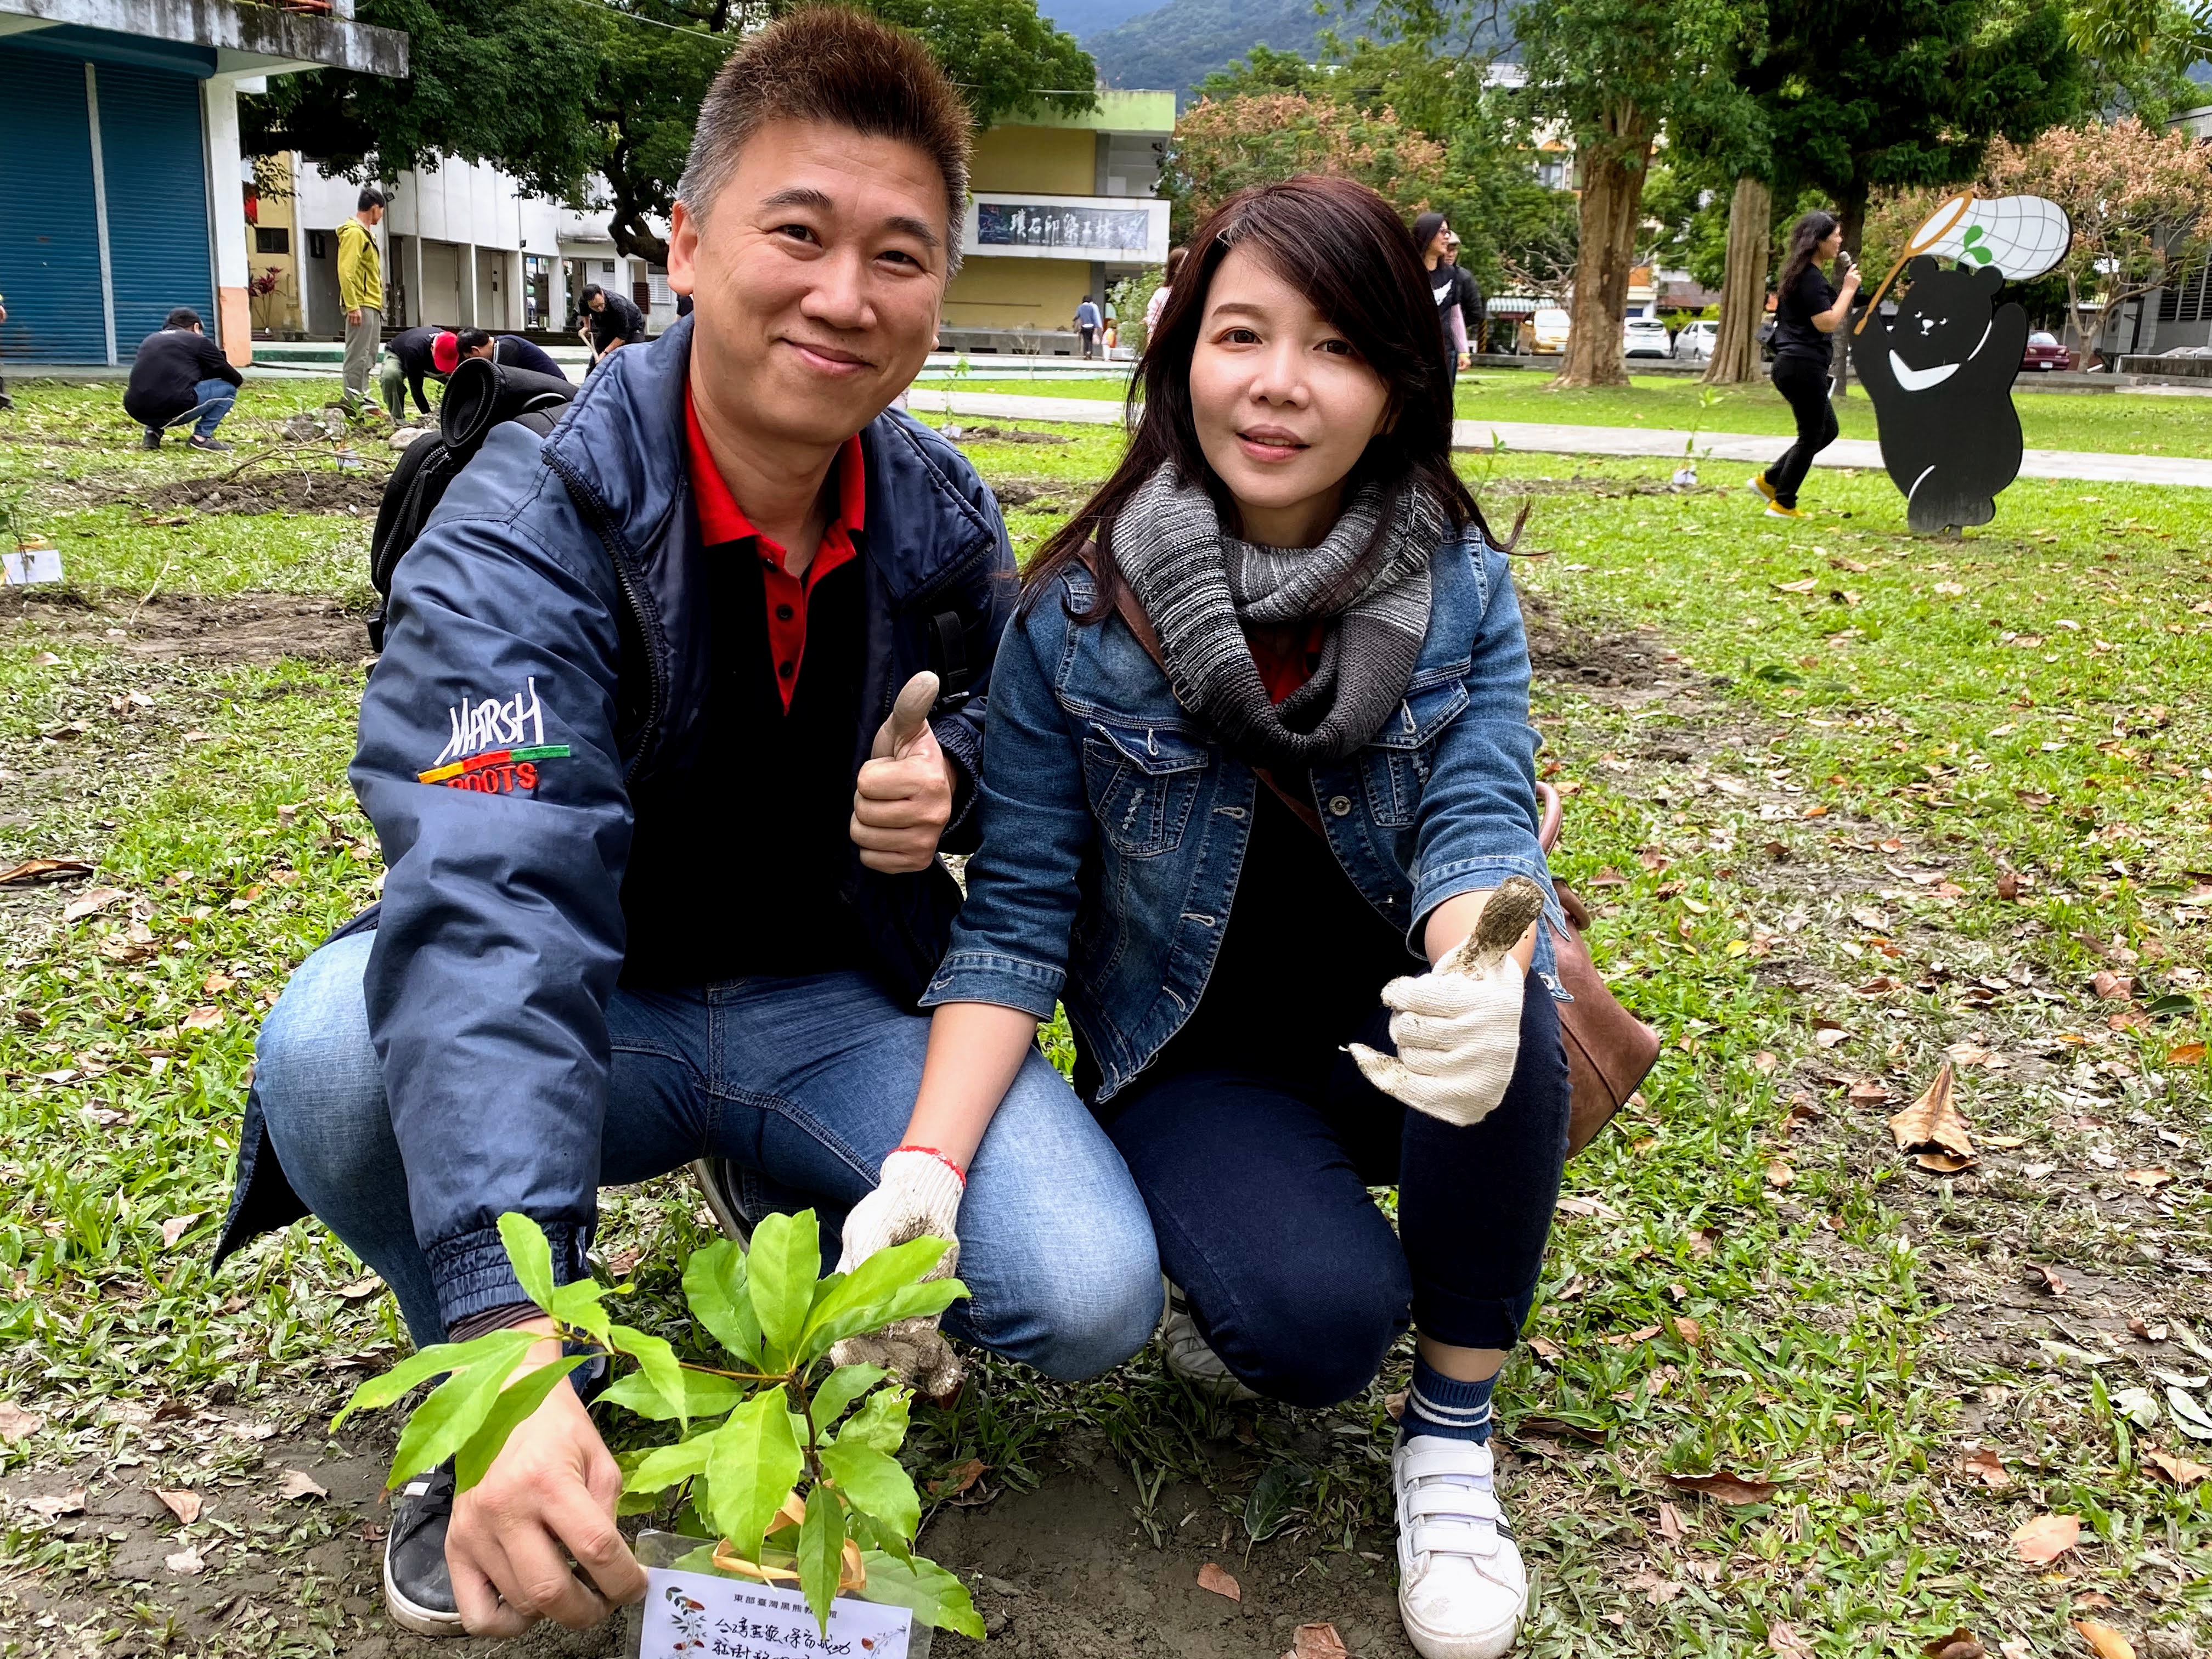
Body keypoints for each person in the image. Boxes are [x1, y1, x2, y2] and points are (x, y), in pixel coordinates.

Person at [217, 9, 1159, 1641]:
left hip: (822, 1002)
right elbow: (491, 884)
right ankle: (495, 1397)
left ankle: (775, 1199)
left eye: (899, 253)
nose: (844, 296)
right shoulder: (526, 520)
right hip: (605, 1009)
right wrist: (513, 1333)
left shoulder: (936, 512)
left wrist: (954, 790)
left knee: (1080, 1288)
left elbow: (1015, 764)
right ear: (690, 240)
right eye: (798, 232)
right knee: (329, 1058)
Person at [902, 176, 1571, 1659]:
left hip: (1396, 1044)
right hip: (1194, 1063)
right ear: (1180, 354)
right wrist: (928, 1171)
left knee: (1511, 983)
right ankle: (1253, 1242)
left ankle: (1451, 1441)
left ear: (1399, 388)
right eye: (1240, 335)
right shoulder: (1069, 619)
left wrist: (1487, 954)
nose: (1277, 385)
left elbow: (1478, 817)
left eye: (1334, 346)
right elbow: (1014, 914)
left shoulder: (1463, 585)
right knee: (1320, 1327)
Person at [1751, 210, 1861, 520]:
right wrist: (1849, 290)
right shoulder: (1810, 279)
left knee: (1827, 430)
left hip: (1796, 365)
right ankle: (1783, 503)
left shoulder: (1804, 274)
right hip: (1802, 364)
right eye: (1836, 236)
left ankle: (1771, 480)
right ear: (1819, 241)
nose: (1840, 241)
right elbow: (1826, 322)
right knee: (1813, 434)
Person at [123, 308, 244, 451]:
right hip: (173, 410)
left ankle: (152, 433)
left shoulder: (150, 340)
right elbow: (235, 379)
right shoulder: (198, 340)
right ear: (196, 327)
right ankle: (201, 438)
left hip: (137, 410)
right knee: (228, 388)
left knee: (160, 385)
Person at [338, 187, 387, 409]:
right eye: (382, 210)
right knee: (357, 354)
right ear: (375, 208)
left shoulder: (367, 234)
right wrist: (352, 306)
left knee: (368, 355)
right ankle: (352, 400)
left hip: (372, 304)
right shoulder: (354, 233)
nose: (382, 215)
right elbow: (346, 271)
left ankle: (362, 396)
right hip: (361, 303)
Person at [1412, 212, 1470, 388]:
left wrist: (1463, 352)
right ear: (1427, 234)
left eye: (1448, 232)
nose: (1447, 237)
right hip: (1413, 352)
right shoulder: (1408, 272)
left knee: (1441, 406)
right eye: (1442, 232)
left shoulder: (1451, 273)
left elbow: (1455, 315)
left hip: (1444, 352)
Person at [575, 283, 647, 364]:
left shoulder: (618, 304)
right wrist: (586, 327)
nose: (599, 309)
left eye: (600, 305)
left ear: (602, 293)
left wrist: (605, 353)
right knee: (597, 357)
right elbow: (585, 313)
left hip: (633, 325)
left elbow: (622, 337)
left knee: (633, 355)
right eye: (594, 307)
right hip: (609, 326)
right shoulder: (584, 301)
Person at [1443, 231, 1486, 359]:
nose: (1451, 254)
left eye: (1454, 250)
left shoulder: (1463, 277)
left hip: (1450, 344)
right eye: (1447, 249)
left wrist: (1453, 328)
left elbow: (1476, 313)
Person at [1144, 245, 1188, 343]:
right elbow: (1153, 326)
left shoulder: (1197, 293)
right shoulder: (1162, 294)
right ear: (1176, 268)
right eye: (1185, 262)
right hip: (1167, 344)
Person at [1074, 294, 1102, 358]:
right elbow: (1094, 317)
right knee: (1090, 340)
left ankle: (1085, 353)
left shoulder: (1080, 307)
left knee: (1085, 340)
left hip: (1084, 326)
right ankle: (1090, 353)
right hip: (1091, 326)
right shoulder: (1092, 307)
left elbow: (1077, 316)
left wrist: (1074, 320)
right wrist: (1096, 326)